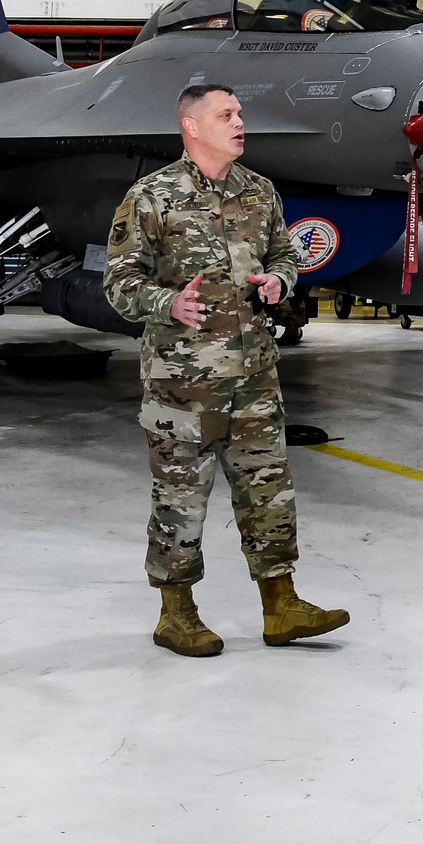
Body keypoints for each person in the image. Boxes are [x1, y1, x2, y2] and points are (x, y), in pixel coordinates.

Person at [104, 83, 351, 658]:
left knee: (269, 492)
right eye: (227, 115)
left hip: (254, 378)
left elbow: (287, 255)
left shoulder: (259, 192)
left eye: (239, 114)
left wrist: (279, 281)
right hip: (181, 385)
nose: (240, 123)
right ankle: (176, 614)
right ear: (192, 126)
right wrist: (168, 304)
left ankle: (281, 606)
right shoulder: (151, 197)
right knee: (180, 500)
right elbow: (119, 284)